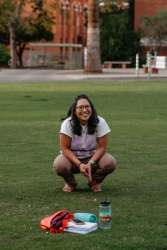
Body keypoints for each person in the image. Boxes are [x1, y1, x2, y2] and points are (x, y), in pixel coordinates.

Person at [53, 94, 117, 192]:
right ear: (74, 111)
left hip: (93, 157)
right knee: (59, 165)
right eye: (80, 107)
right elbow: (64, 149)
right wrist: (79, 164)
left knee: (110, 163)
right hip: (72, 159)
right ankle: (70, 182)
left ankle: (93, 181)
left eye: (87, 106)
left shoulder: (100, 122)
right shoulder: (67, 123)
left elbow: (102, 147)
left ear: (91, 108)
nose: (84, 110)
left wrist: (91, 163)